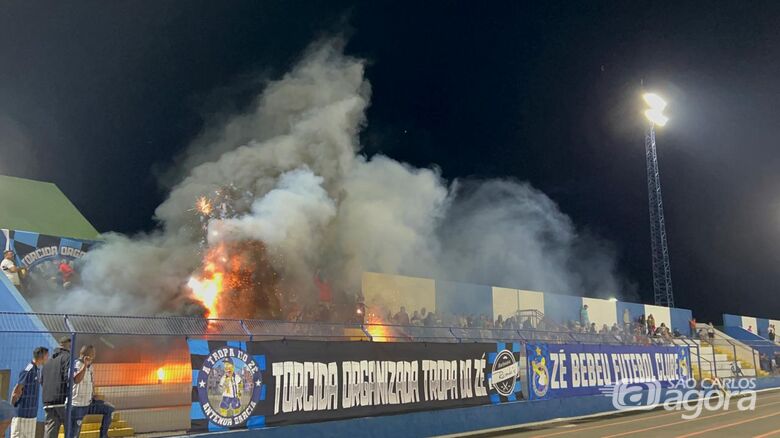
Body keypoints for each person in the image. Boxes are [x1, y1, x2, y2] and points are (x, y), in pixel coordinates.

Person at [70, 345, 114, 438]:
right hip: (78, 405)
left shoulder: (91, 367)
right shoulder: (76, 364)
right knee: (75, 433)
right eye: (93, 354)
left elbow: (91, 382)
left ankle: (103, 435)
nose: (94, 356)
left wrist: (94, 394)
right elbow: (76, 380)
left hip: (89, 403)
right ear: (85, 355)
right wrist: (84, 366)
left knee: (109, 409)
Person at [10, 347, 49, 438]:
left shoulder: (38, 370)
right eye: (47, 355)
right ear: (41, 356)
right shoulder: (29, 370)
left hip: (32, 415)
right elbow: (17, 390)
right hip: (22, 414)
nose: (48, 358)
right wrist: (11, 409)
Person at [41, 336, 72, 438]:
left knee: (51, 431)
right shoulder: (68, 357)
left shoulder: (48, 361)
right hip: (63, 401)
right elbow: (68, 378)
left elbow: (41, 380)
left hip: (48, 401)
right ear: (69, 345)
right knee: (71, 429)